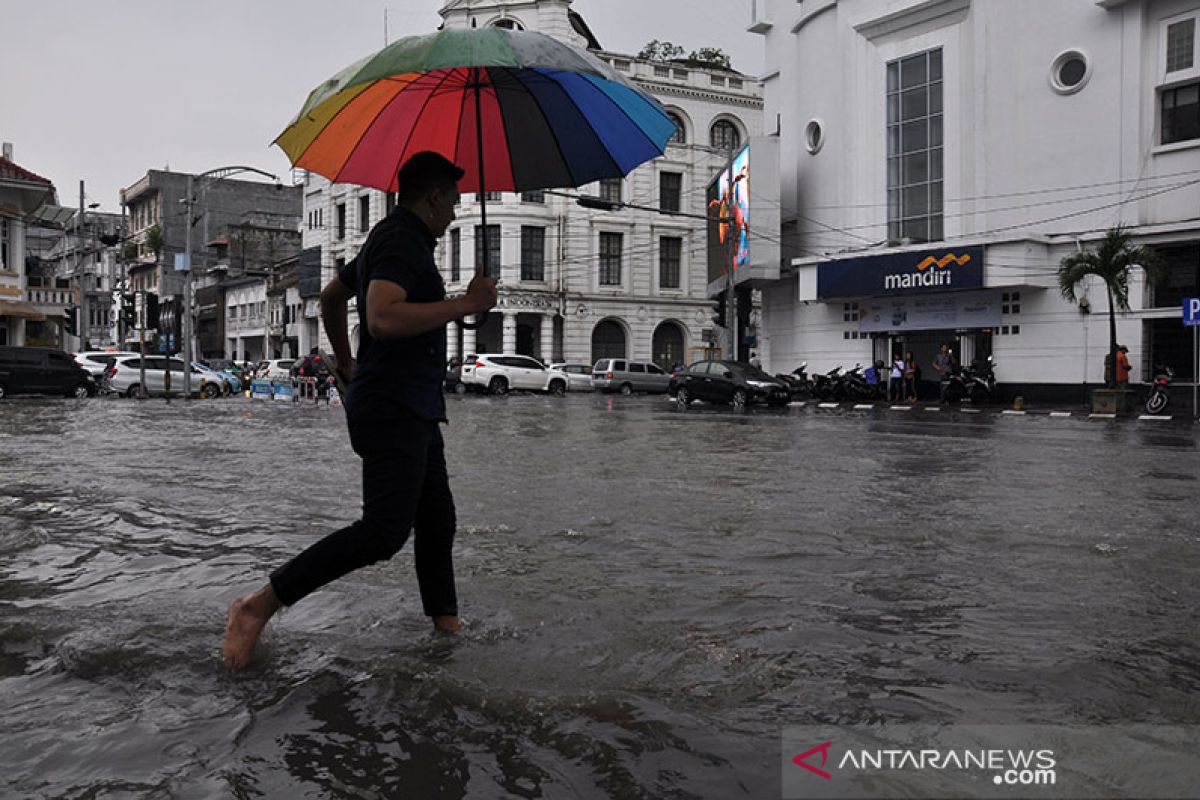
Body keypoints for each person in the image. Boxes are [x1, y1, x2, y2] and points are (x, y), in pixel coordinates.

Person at [222, 151, 498, 669]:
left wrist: (347, 365)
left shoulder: (393, 238)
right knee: (383, 533)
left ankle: (447, 634)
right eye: (454, 202)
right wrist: (466, 303)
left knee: (438, 522)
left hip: (409, 405)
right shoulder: (400, 242)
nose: (457, 213)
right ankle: (257, 606)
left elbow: (330, 298)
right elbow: (383, 317)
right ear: (434, 197)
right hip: (395, 405)